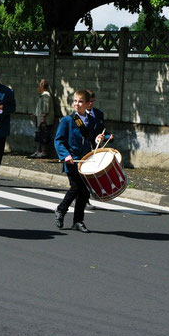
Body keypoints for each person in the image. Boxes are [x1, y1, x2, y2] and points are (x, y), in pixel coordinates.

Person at [53, 90, 105, 233]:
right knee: (76, 187)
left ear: (88, 104)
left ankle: (78, 221)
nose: (76, 104)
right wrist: (65, 155)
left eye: (80, 101)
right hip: (72, 160)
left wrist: (98, 139)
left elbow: (92, 139)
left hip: (86, 161)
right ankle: (61, 209)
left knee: (84, 192)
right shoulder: (68, 120)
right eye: (75, 101)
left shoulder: (92, 121)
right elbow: (58, 141)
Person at [30, 79, 54, 158]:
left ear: (42, 86)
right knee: (39, 136)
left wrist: (43, 118)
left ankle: (43, 152)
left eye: (39, 86)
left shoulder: (46, 95)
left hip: (45, 121)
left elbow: (46, 108)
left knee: (44, 136)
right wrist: (36, 114)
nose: (38, 87)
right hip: (40, 120)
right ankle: (38, 151)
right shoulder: (43, 95)